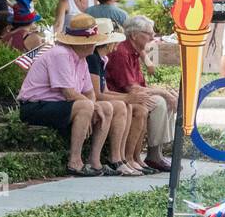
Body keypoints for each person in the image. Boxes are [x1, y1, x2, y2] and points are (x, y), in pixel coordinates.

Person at [18, 13, 112, 177]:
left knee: (108, 107)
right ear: (84, 43)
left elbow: (89, 92)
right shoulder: (61, 53)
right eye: (93, 39)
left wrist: (93, 107)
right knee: (86, 105)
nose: (96, 43)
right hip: (34, 106)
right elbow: (68, 93)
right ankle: (75, 162)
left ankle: (95, 161)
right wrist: (91, 107)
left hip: (56, 105)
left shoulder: (81, 59)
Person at [105, 15, 176, 173]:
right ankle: (151, 155)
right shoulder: (121, 52)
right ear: (134, 35)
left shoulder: (134, 51)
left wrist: (165, 92)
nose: (153, 36)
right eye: (148, 33)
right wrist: (162, 92)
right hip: (119, 96)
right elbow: (132, 89)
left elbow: (139, 85)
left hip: (130, 95)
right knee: (159, 103)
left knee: (169, 100)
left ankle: (155, 153)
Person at [87, 19, 145, 176]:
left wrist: (128, 98)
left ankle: (121, 158)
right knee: (121, 105)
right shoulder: (92, 58)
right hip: (89, 100)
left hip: (97, 97)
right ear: (108, 43)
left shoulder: (101, 59)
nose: (116, 45)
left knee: (128, 105)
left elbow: (104, 89)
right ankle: (115, 159)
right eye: (114, 42)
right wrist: (127, 98)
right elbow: (97, 94)